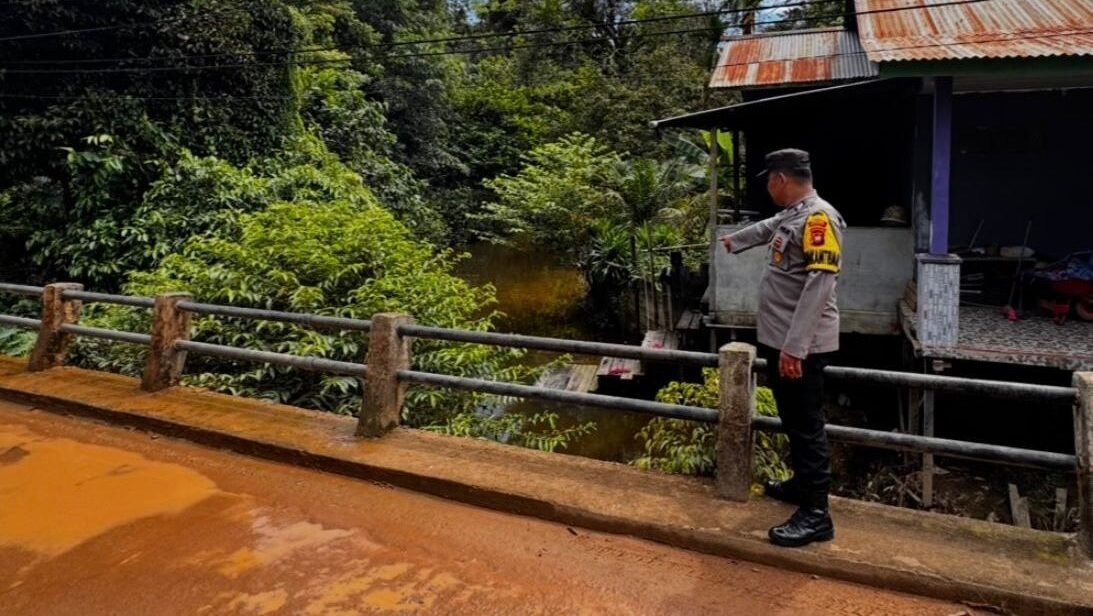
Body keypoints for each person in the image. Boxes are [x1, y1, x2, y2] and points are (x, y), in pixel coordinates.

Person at [719, 148, 845, 548]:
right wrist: (733, 241)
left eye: (769, 181)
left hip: (799, 346)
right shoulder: (794, 215)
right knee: (793, 420)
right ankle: (801, 487)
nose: (768, 188)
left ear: (779, 180)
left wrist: (795, 349)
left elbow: (819, 286)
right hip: (782, 341)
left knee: (807, 427)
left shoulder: (818, 219)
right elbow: (766, 228)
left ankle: (816, 515)